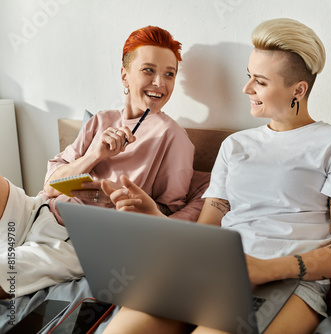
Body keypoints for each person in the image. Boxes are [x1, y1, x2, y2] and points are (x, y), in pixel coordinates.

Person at [102, 18, 331, 334]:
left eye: (260, 81)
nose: (247, 89)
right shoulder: (235, 146)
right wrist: (152, 216)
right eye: (248, 77)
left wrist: (264, 269)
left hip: (290, 282)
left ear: (298, 89)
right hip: (214, 272)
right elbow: (207, 234)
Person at [0, 26, 194, 299]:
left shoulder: (173, 138)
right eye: (148, 70)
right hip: (39, 209)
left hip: (80, 240)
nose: (160, 83)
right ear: (125, 75)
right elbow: (51, 185)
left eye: (169, 74)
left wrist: (110, 196)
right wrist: (95, 155)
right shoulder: (100, 121)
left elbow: (168, 214)